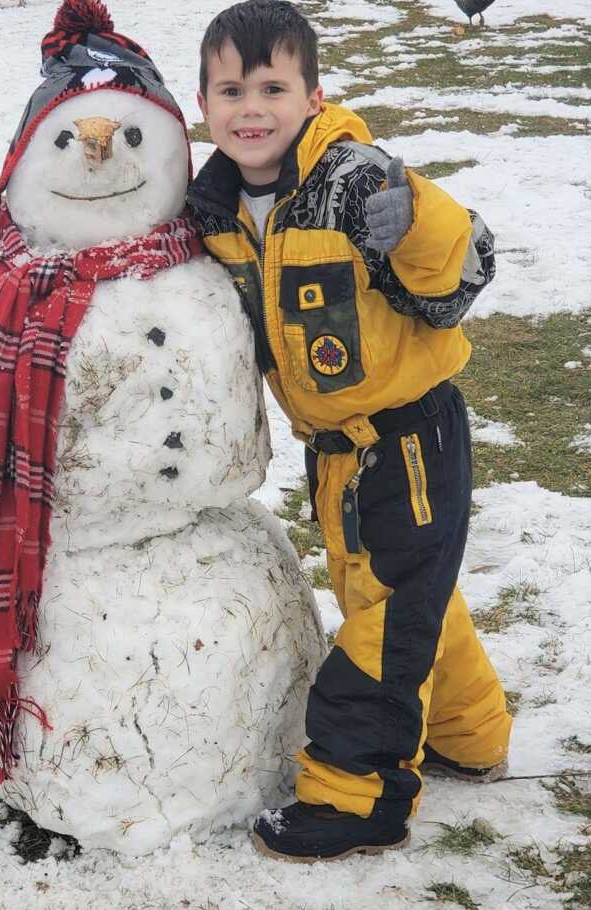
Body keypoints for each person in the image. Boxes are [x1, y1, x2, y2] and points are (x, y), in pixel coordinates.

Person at [187, 0, 512, 863]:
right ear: (204, 104)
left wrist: (417, 224)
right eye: (230, 90)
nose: (250, 108)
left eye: (271, 87)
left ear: (312, 92)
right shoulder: (214, 207)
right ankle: (470, 734)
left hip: (409, 435)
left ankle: (355, 792)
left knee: (385, 610)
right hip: (334, 449)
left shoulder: (356, 180)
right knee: (402, 593)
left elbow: (463, 271)